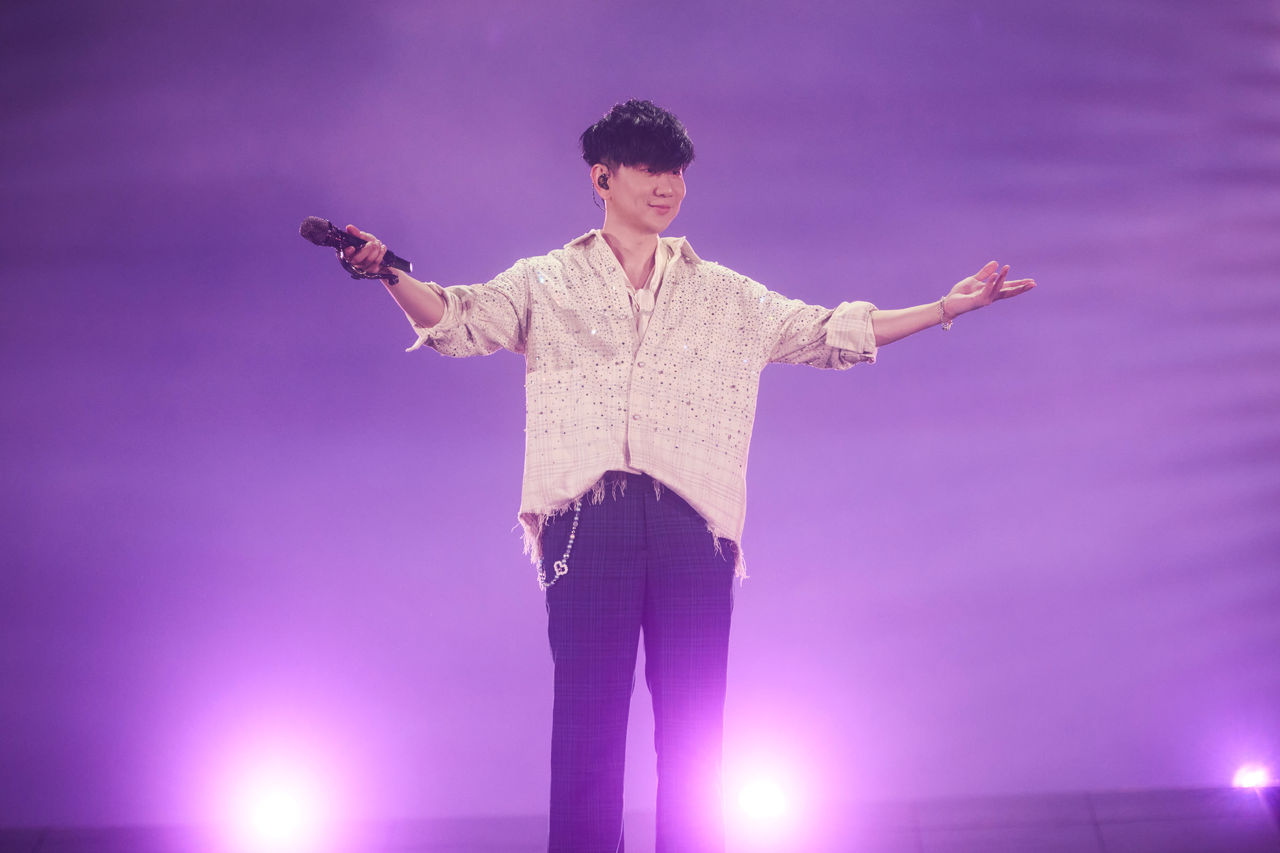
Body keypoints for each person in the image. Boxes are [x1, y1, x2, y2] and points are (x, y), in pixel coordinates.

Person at [339, 99, 1035, 853]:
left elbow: (830, 331)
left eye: (676, 170)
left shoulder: (725, 294)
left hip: (692, 527)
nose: (666, 185)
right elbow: (458, 318)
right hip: (588, 524)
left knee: (697, 738)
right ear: (602, 178)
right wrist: (389, 273)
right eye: (648, 168)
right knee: (587, 731)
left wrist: (944, 307)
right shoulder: (545, 280)